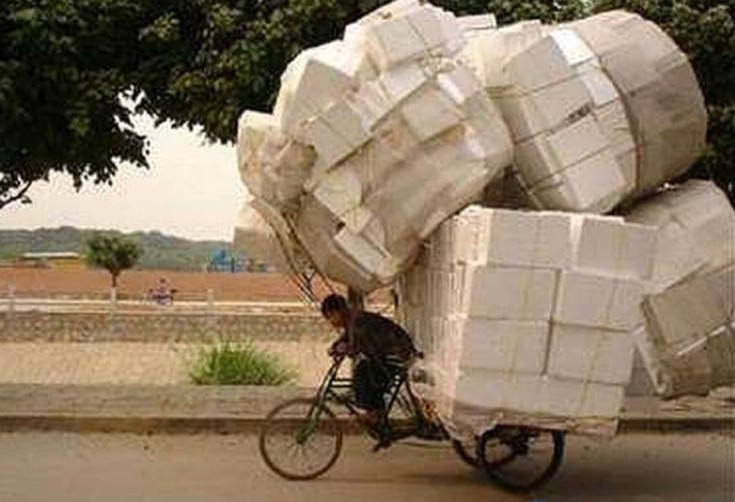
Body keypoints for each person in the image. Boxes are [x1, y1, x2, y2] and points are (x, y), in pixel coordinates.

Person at [320, 293, 417, 432]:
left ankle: (375, 414)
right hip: (387, 357)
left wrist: (347, 349)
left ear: (338, 311)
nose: (331, 321)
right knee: (365, 370)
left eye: (331, 316)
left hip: (396, 357)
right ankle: (377, 413)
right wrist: (336, 347)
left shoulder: (359, 322)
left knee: (363, 372)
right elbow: (346, 339)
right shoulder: (353, 321)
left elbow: (358, 346)